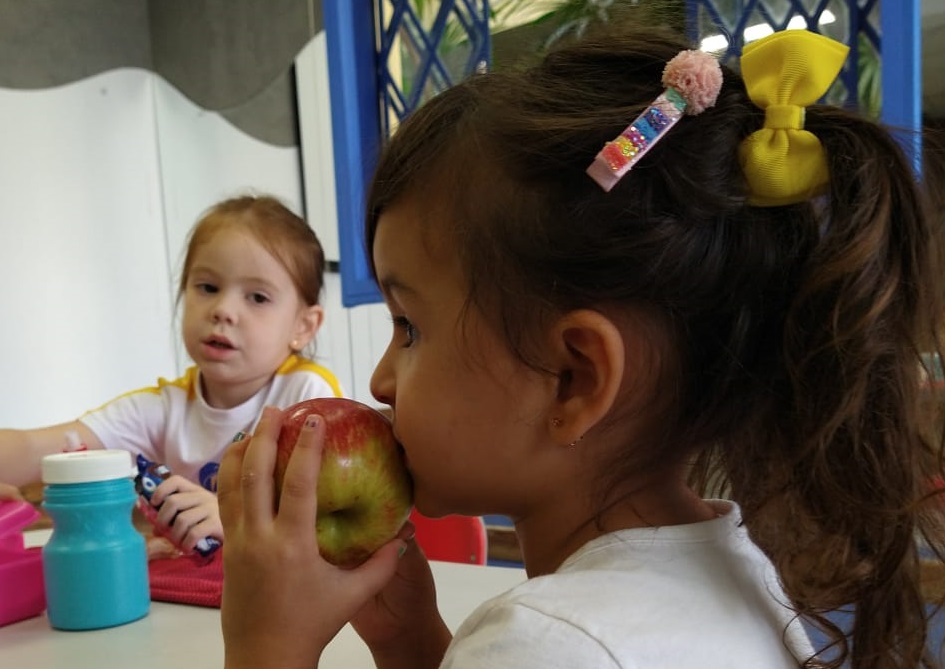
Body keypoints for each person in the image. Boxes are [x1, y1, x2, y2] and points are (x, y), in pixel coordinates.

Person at [217, 19, 945, 669]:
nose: (380, 380)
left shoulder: (545, 641)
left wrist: (265, 645)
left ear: (572, 378)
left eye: (410, 326)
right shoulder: (741, 568)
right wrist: (410, 644)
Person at [0, 195, 343, 554]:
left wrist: (234, 518)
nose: (223, 310)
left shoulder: (308, 395)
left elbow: (331, 515)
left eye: (257, 297)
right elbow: (36, 447)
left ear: (304, 326)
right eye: (207, 288)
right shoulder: (165, 408)